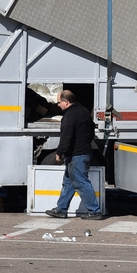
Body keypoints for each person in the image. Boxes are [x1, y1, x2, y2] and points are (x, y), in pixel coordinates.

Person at [45, 90, 106, 220]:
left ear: (66, 102)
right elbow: (91, 131)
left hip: (76, 154)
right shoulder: (83, 111)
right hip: (82, 152)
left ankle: (94, 211)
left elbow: (66, 136)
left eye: (59, 102)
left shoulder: (70, 115)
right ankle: (61, 209)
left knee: (81, 182)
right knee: (68, 182)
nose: (58, 105)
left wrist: (60, 152)